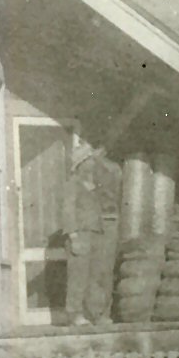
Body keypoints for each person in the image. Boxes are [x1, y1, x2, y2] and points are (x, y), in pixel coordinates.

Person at [65, 137, 121, 324]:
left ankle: (94, 314)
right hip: (80, 235)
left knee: (94, 277)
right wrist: (73, 236)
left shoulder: (95, 186)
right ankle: (74, 314)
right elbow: (68, 210)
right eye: (88, 161)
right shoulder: (73, 183)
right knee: (78, 276)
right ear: (80, 165)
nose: (92, 164)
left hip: (95, 234)